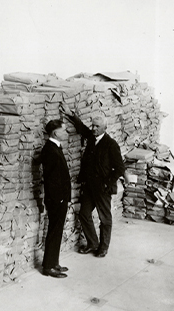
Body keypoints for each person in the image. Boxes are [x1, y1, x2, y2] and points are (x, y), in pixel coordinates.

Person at [60, 104, 125, 258]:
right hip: (89, 186)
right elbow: (81, 128)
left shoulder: (111, 144)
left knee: (105, 219)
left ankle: (103, 247)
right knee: (83, 213)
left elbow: (120, 168)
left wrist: (108, 183)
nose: (94, 128)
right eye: (93, 126)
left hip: (103, 188)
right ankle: (92, 243)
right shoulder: (91, 138)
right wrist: (70, 114)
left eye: (97, 126)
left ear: (104, 128)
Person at [41, 119, 71, 278]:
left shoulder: (55, 148)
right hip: (56, 199)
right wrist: (59, 198)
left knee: (57, 230)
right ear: (55, 133)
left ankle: (54, 262)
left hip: (60, 198)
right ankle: (48, 267)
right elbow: (52, 180)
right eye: (64, 130)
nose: (66, 133)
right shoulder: (50, 150)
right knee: (54, 231)